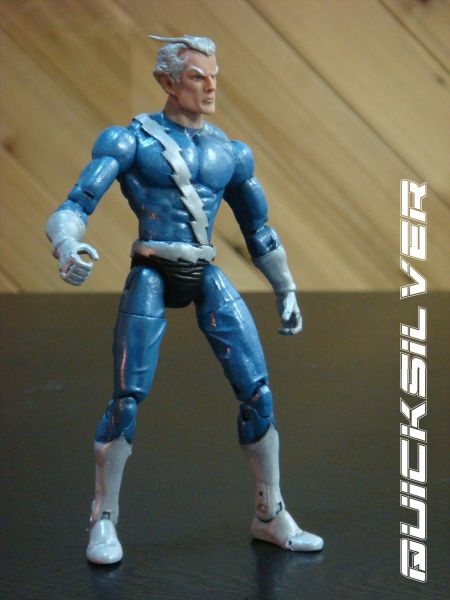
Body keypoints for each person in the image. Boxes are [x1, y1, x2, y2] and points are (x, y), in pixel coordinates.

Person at [46, 35, 324, 564]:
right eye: (198, 76)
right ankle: (103, 518)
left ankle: (270, 513)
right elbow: (75, 204)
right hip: (152, 270)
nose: (210, 86)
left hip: (204, 270)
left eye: (214, 75)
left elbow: (258, 229)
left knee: (257, 390)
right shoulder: (131, 141)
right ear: (168, 82)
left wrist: (285, 288)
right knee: (128, 395)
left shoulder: (230, 153)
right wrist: (67, 245)